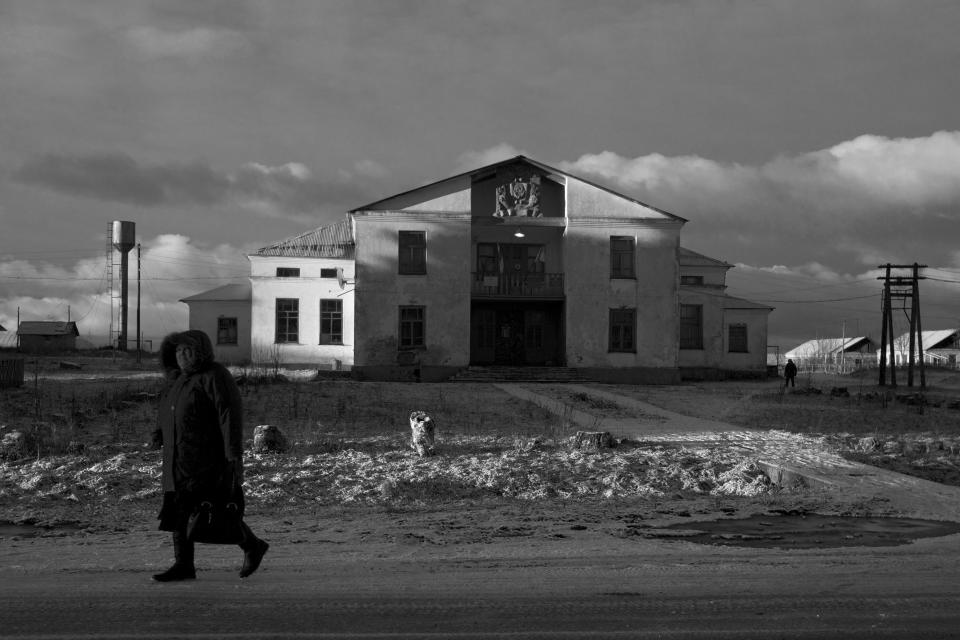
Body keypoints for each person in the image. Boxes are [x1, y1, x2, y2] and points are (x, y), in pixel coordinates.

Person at [151, 329, 269, 582]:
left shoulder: (215, 376)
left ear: (201, 352)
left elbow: (229, 416)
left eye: (188, 351)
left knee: (213, 510)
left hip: (206, 459)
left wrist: (233, 456)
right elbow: (168, 410)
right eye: (179, 351)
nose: (183, 356)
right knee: (180, 511)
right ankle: (184, 565)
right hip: (178, 458)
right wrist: (159, 432)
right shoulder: (178, 380)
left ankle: (252, 545)